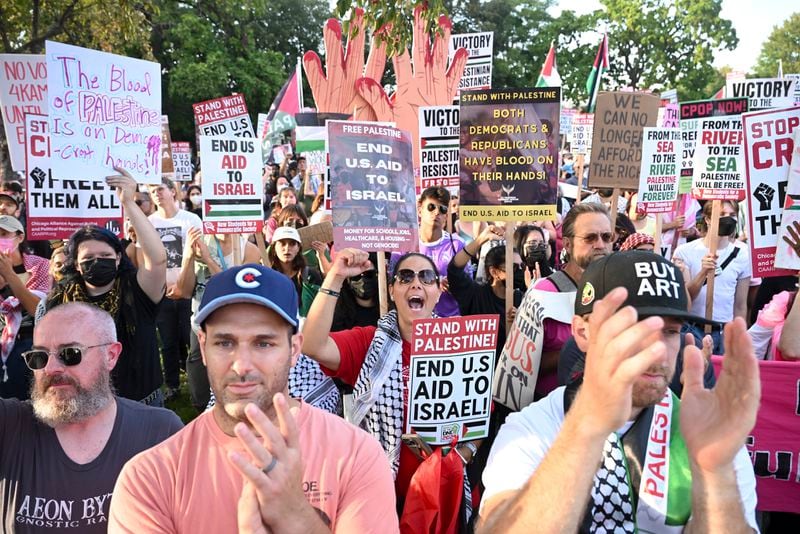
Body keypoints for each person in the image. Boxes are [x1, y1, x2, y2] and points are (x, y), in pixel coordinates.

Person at [479, 251, 760, 532]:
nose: (657, 352)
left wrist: (715, 475)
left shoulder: (703, 430)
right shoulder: (533, 427)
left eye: (670, 332)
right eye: (635, 329)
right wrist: (586, 431)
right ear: (582, 332)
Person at [109, 264, 398, 533]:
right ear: (203, 345)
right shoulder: (150, 478)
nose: (241, 365)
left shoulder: (356, 454)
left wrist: (297, 517)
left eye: (263, 343)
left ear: (295, 349)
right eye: (225, 343)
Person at [302, 249, 482, 522]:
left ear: (437, 291)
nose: (416, 283)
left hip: (442, 496)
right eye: (405, 276)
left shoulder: (460, 344)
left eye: (427, 277)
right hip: (382, 494)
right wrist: (335, 277)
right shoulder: (369, 344)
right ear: (392, 291)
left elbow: (478, 417)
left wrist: (461, 457)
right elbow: (312, 344)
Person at [1, 302, 182, 532]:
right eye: (40, 357)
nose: (51, 369)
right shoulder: (10, 426)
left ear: (111, 355)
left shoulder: (160, 434)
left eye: (70, 354)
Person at [44, 167, 167, 405]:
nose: (97, 262)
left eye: (105, 255)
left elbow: (158, 259)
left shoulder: (136, 290)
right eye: (88, 259)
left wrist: (129, 203)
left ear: (119, 258)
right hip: (83, 402)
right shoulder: (60, 300)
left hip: (142, 402)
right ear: (77, 265)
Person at [501, 202, 613, 404]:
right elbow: (521, 368)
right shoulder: (542, 293)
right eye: (590, 238)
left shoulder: (617, 290)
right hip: (551, 411)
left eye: (606, 237)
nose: (600, 245)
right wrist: (582, 347)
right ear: (567, 244)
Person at [147, 176, 203, 399]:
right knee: (168, 342)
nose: (157, 194)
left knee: (189, 340)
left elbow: (200, 253)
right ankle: (172, 385)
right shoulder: (149, 223)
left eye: (160, 189)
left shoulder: (190, 220)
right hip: (162, 292)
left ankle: (196, 385)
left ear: (172, 191)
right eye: (152, 192)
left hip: (189, 289)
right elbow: (146, 258)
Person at [673, 200, 751, 354]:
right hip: (692, 328)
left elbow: (741, 305)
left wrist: (738, 336)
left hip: (724, 331)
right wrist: (703, 272)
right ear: (707, 219)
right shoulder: (684, 252)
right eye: (721, 214)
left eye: (732, 215)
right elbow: (685, 299)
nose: (727, 218)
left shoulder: (743, 254)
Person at [0, 215, 51, 400]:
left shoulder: (41, 265)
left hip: (29, 344)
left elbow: (37, 309)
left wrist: (9, 275)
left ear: (20, 237)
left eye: (4, 234)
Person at [268, 226, 322, 317]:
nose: (287, 248)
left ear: (298, 248)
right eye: (282, 243)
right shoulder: (267, 276)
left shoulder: (310, 275)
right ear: (274, 248)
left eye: (292, 244)